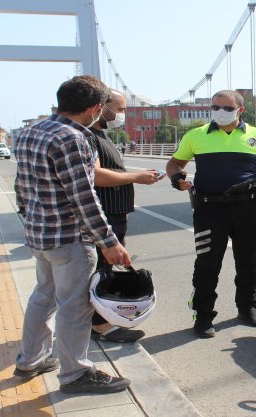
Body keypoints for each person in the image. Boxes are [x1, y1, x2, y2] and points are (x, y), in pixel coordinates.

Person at [13, 75, 133, 394]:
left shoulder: (30, 132)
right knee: (74, 305)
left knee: (43, 296)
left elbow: (21, 186)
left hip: (40, 234)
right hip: (69, 238)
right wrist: (109, 241)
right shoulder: (72, 138)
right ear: (94, 108)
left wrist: (29, 218)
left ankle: (30, 359)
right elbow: (84, 196)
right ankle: (75, 373)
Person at [166, 89, 256, 338]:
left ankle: (247, 307)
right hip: (210, 208)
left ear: (240, 110)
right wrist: (177, 178)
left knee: (249, 261)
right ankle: (203, 314)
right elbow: (174, 163)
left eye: (227, 108)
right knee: (207, 264)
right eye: (216, 107)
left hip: (248, 207)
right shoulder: (195, 135)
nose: (221, 112)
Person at [89, 88, 163, 343]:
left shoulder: (101, 135)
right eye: (119, 109)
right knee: (102, 268)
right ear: (100, 106)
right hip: (105, 214)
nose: (122, 114)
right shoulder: (89, 137)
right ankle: (100, 326)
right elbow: (96, 175)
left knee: (105, 266)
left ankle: (101, 321)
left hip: (114, 213)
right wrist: (136, 177)